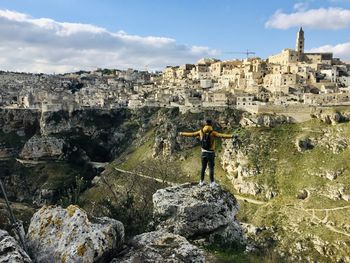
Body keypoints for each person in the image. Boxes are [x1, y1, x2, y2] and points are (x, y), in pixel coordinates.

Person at [179, 119, 233, 187]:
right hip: (210, 153)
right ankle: (212, 183)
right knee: (211, 168)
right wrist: (232, 136)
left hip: (203, 153)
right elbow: (221, 135)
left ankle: (201, 182)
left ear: (205, 124)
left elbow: (192, 134)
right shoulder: (213, 132)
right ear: (211, 124)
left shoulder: (201, 132)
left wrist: (182, 133)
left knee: (203, 168)